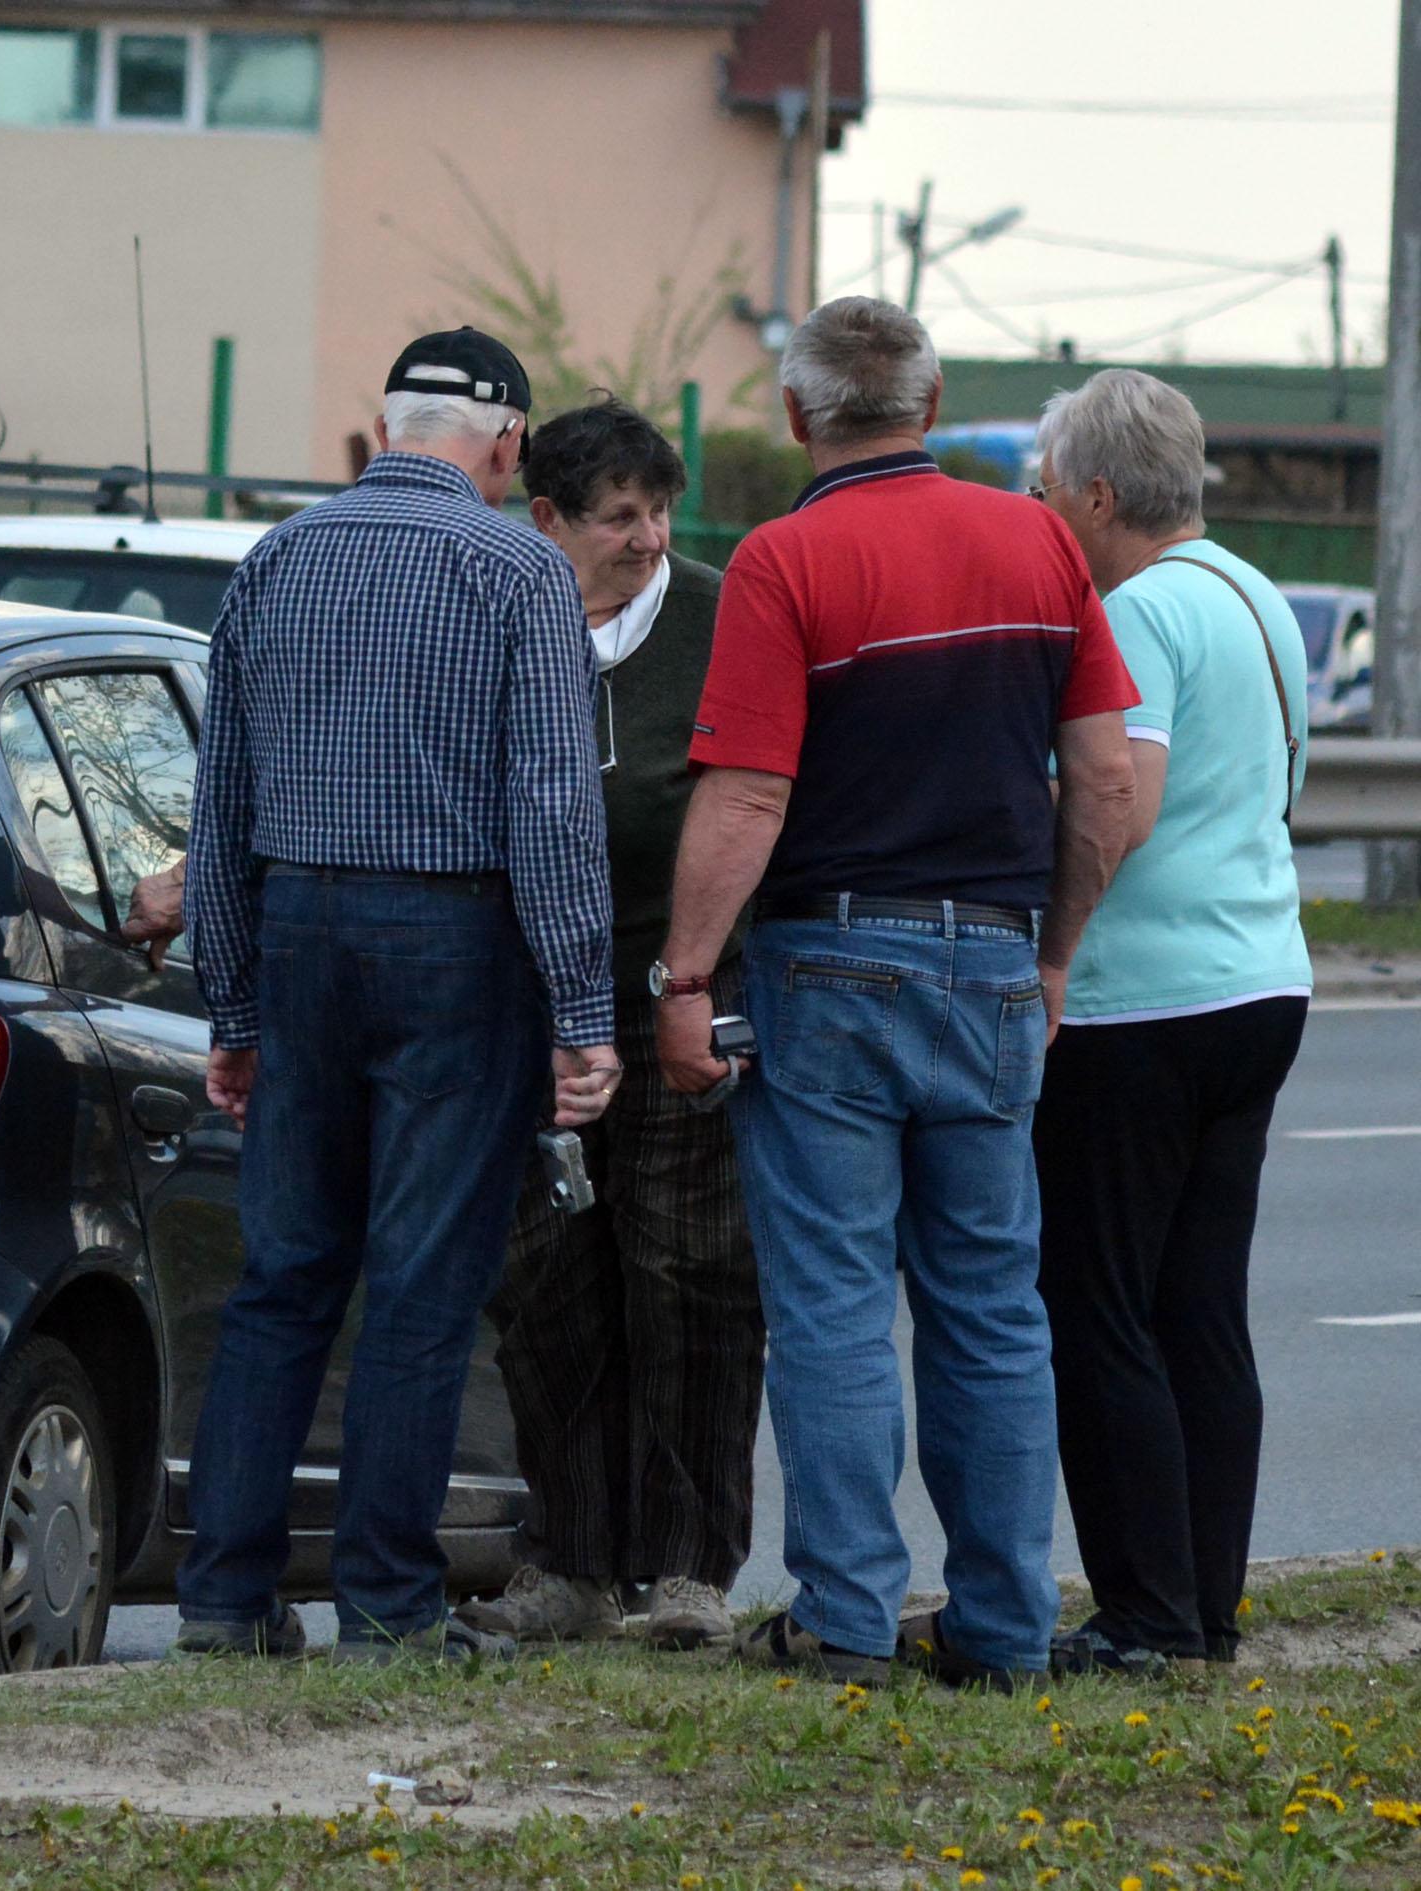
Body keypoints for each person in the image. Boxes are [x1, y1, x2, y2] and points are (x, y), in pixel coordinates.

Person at [653, 297, 1141, 1686]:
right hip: (990, 960)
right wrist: (1047, 956)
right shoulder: (1038, 537)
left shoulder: (782, 558)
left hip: (829, 961)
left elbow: (748, 792)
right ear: (929, 405)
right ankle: (1000, 1627)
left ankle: (848, 1619)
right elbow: (1104, 782)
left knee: (832, 1304)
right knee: (992, 1304)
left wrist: (685, 974)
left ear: (802, 417)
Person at [175, 327, 620, 1664]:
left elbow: (222, 806)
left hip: (301, 927)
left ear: (383, 430)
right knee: (422, 1290)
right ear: (503, 444)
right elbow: (549, 805)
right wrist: (582, 1010)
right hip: (455, 938)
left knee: (284, 1276)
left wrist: (233, 1006)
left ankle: (224, 1597)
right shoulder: (517, 568)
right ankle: (385, 1606)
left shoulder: (278, 558)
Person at [452, 398, 764, 1653]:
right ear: (547, 520)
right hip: (526, 1003)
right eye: (618, 516)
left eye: (659, 512)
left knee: (691, 1277)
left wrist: (704, 980)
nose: (648, 537)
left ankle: (689, 1572)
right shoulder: (496, 617)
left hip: (676, 992)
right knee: (547, 1284)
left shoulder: (721, 614)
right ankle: (570, 1561)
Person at [1025, 369, 1311, 1675]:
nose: (1037, 508)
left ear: (1097, 494)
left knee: (1102, 1307)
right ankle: (1207, 1604)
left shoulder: (1134, 610)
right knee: (1202, 1309)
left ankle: (1141, 1612)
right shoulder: (1255, 596)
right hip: (1263, 976)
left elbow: (1114, 808)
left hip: (1143, 999)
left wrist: (1052, 952)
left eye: (1045, 486)